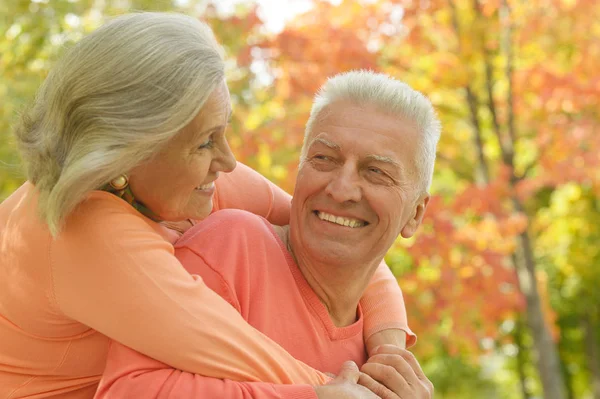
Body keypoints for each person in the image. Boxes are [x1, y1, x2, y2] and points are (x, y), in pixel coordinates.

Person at [0, 12, 414, 399]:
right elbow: (253, 360)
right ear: (131, 151)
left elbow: (338, 230)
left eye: (222, 132)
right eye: (205, 142)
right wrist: (355, 390)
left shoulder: (189, 179)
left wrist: (388, 347)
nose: (229, 161)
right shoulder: (85, 232)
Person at [94, 70, 440, 399]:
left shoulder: (384, 359)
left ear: (415, 214)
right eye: (324, 158)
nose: (341, 189)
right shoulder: (233, 246)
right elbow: (127, 392)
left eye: (376, 172)